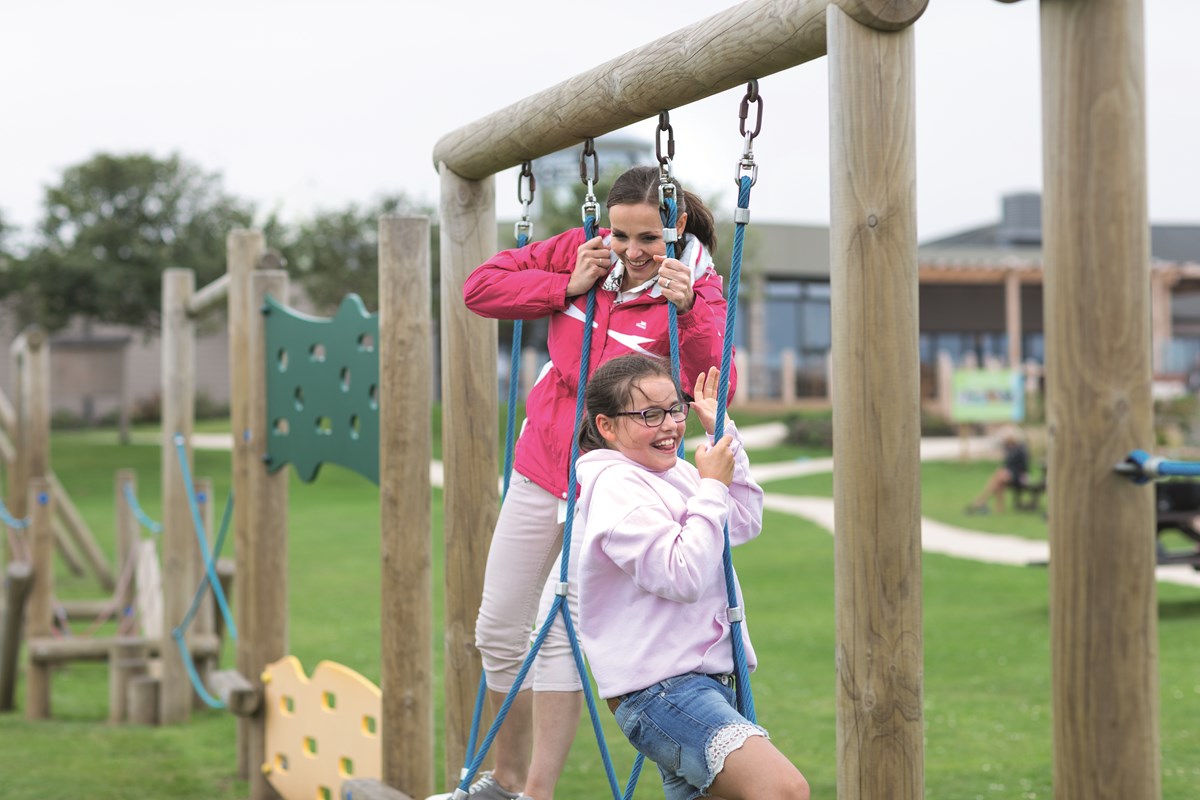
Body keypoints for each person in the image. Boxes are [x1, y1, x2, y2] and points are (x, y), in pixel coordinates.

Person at [438, 166, 738, 800]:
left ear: (676, 228)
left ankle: (535, 792)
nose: (632, 253)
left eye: (650, 239)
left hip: (612, 482)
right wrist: (562, 284)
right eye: (621, 234)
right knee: (495, 627)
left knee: (556, 632)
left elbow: (717, 387)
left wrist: (686, 312)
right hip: (541, 464)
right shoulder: (583, 252)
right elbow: (478, 288)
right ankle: (504, 778)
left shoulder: (698, 289)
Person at [574, 354, 809, 800]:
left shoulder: (674, 472)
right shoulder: (615, 487)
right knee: (783, 790)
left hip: (704, 681)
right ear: (606, 426)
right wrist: (712, 488)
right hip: (662, 690)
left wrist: (723, 439)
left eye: (674, 409)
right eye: (649, 414)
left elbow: (741, 522)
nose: (668, 426)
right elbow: (681, 576)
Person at [966, 427, 1030, 514]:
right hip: (1009, 475)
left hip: (1020, 477)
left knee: (999, 476)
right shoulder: (1008, 449)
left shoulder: (1020, 449)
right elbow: (1007, 465)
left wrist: (1008, 472)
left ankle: (982, 500)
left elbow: (1022, 467)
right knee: (999, 482)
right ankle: (998, 506)